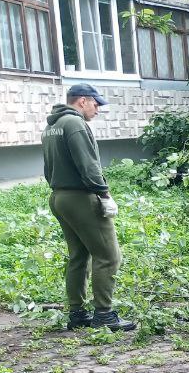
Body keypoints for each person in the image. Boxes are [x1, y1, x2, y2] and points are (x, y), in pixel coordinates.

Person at [41, 83, 135, 332]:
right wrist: (104, 194)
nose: (98, 109)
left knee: (78, 256)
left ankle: (77, 313)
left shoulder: (52, 126)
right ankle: (104, 315)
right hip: (81, 198)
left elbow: (48, 168)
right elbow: (89, 165)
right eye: (96, 103)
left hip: (59, 196)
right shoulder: (74, 124)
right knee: (108, 256)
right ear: (82, 101)